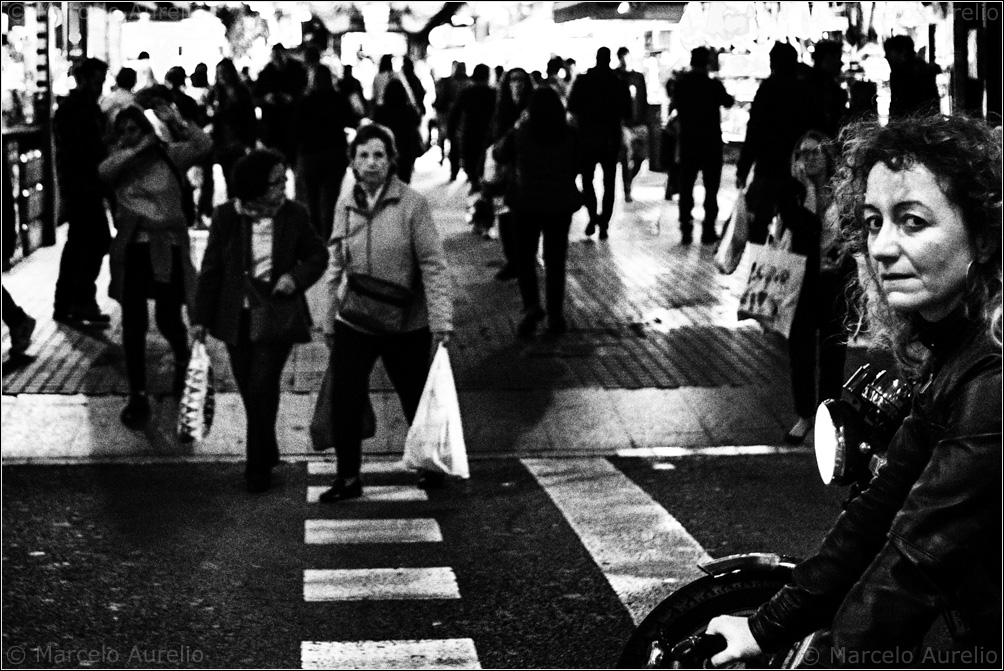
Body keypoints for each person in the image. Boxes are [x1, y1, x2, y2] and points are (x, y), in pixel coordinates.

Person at [707, 114, 1002, 667]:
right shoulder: (958, 349)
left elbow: (915, 563)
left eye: (912, 222)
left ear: (983, 238)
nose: (882, 248)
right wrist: (766, 628)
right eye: (872, 222)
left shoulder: (994, 378)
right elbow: (879, 508)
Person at [319, 124, 453, 501]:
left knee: (413, 393)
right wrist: (328, 320)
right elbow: (335, 265)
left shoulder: (412, 204)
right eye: (363, 155)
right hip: (356, 318)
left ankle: (428, 463)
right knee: (345, 395)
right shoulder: (345, 203)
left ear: (392, 160)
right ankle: (347, 477)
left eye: (379, 154)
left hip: (406, 322)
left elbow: (433, 264)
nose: (371, 162)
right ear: (353, 162)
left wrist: (441, 320)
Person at [191, 149, 328, 493]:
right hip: (234, 316)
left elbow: (317, 254)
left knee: (262, 385)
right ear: (254, 187)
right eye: (275, 182)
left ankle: (256, 468)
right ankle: (267, 449)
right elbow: (211, 270)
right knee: (251, 389)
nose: (283, 187)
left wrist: (294, 278)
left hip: (276, 315)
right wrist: (200, 319)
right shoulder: (226, 217)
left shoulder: (294, 215)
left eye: (285, 179)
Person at [98, 105, 211, 426]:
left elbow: (204, 146)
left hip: (167, 247)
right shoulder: (118, 163)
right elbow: (103, 172)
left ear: (146, 129)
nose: (127, 136)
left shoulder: (168, 156)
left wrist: (176, 121)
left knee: (167, 318)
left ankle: (181, 358)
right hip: (134, 249)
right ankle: (137, 394)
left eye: (134, 129)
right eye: (121, 131)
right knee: (133, 324)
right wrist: (134, 150)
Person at [775, 131, 856, 445]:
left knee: (834, 351)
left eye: (815, 152)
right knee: (802, 352)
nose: (808, 158)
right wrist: (809, 191)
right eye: (803, 153)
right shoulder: (791, 192)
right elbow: (805, 227)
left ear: (828, 156)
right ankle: (804, 416)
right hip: (801, 282)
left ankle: (829, 417)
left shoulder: (843, 193)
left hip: (835, 282)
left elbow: (853, 230)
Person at [494, 87, 582, 338]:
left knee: (525, 258)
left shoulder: (520, 134)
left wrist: (516, 126)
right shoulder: (570, 134)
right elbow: (579, 163)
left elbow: (498, 154)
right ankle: (556, 314)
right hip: (559, 204)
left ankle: (531, 306)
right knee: (555, 260)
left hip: (525, 204)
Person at [736, 42, 817, 245]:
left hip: (769, 166)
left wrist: (743, 168)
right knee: (794, 219)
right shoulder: (803, 90)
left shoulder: (767, 89)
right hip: (795, 168)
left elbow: (754, 131)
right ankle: (794, 265)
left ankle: (760, 264)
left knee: (760, 221)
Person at [53, 57, 112, 325]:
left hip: (83, 185)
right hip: (82, 186)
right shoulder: (76, 109)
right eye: (98, 80)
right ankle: (79, 301)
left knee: (79, 243)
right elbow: (82, 152)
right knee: (94, 240)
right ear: (85, 80)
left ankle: (68, 303)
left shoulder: (81, 107)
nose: (101, 86)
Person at [668, 47, 734, 245]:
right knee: (711, 188)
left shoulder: (681, 84)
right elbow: (728, 102)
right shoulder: (712, 84)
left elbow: (674, 106)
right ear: (707, 63)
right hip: (711, 142)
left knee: (686, 186)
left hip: (688, 141)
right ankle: (708, 230)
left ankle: (686, 229)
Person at [567, 47, 632, 240]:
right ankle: (604, 222)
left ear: (596, 59)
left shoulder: (583, 81)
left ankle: (593, 215)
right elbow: (628, 113)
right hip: (611, 139)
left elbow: (572, 107)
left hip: (587, 138)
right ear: (609, 59)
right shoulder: (618, 83)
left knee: (588, 180)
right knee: (609, 181)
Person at [293, 64, 356, 240]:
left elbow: (296, 129)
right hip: (334, 153)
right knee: (330, 199)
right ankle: (328, 236)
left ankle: (315, 238)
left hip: (311, 154)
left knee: (311, 200)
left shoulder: (306, 101)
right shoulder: (338, 99)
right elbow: (351, 120)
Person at [486, 67, 532, 280]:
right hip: (504, 170)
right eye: (513, 80)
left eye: (521, 80)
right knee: (505, 217)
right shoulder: (500, 108)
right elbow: (494, 141)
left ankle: (525, 259)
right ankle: (512, 260)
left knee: (525, 218)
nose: (517, 84)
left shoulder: (532, 106)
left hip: (527, 171)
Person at [203, 58, 256, 205]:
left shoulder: (241, 91)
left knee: (239, 179)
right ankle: (234, 209)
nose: (223, 76)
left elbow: (249, 118)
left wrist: (249, 142)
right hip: (223, 143)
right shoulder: (215, 93)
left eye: (225, 72)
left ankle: (241, 207)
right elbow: (210, 116)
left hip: (238, 141)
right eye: (220, 73)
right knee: (228, 179)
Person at [253, 44, 307, 165]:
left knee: (294, 161)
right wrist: (266, 99)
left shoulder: (297, 70)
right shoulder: (265, 73)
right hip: (273, 126)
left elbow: (305, 92)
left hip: (293, 124)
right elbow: (255, 98)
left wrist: (292, 98)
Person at [448, 63, 495, 193]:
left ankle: (475, 184)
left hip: (470, 133)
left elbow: (455, 114)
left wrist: (451, 132)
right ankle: (481, 187)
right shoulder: (493, 93)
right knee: (485, 165)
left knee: (471, 163)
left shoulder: (467, 93)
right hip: (487, 135)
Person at [614, 46, 649, 204]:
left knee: (640, 157)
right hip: (623, 124)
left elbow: (644, 99)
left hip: (638, 122)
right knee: (626, 156)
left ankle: (629, 181)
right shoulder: (615, 76)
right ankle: (627, 188)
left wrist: (645, 120)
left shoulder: (638, 77)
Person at [372, 78, 424, 184]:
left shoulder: (380, 111)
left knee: (387, 181)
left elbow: (375, 128)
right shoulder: (409, 110)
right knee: (404, 181)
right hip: (406, 149)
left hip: (386, 151)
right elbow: (417, 122)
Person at [884, 35, 941, 120]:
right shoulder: (921, 70)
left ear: (903, 52)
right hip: (923, 125)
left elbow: (898, 107)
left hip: (912, 126)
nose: (886, 57)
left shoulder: (904, 74)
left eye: (889, 52)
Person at [805, 40, 848, 139]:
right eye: (838, 58)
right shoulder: (823, 86)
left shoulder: (817, 83)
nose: (841, 63)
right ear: (827, 59)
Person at [433, 61, 467, 176]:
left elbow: (442, 99)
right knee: (462, 142)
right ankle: (463, 166)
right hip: (464, 118)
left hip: (451, 116)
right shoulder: (469, 83)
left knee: (453, 143)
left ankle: (454, 169)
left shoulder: (449, 82)